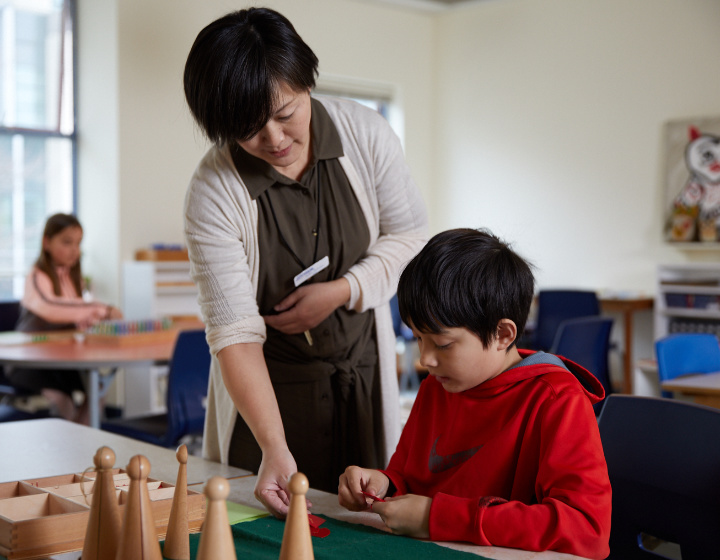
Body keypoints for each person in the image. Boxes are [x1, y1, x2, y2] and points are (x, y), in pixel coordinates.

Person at [182, 7, 428, 517]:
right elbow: (234, 333)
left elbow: (409, 234)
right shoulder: (213, 192)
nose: (273, 139)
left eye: (285, 113)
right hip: (269, 394)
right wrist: (273, 445)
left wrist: (344, 290)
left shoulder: (367, 134)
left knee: (364, 521)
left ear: (306, 82)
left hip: (361, 373)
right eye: (248, 129)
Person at [338, 228, 611, 559]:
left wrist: (434, 518)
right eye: (418, 338)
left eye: (442, 344)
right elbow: (409, 478)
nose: (425, 359)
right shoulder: (437, 387)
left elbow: (585, 529)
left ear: (502, 334)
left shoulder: (556, 400)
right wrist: (383, 484)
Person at [7, 213, 123, 424]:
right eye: (67, 242)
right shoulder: (36, 277)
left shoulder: (75, 279)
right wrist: (100, 308)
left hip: (62, 359)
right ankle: (74, 444)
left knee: (98, 390)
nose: (74, 250)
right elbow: (51, 307)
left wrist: (94, 318)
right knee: (63, 402)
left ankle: (82, 444)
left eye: (78, 243)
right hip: (31, 361)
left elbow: (76, 315)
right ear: (46, 242)